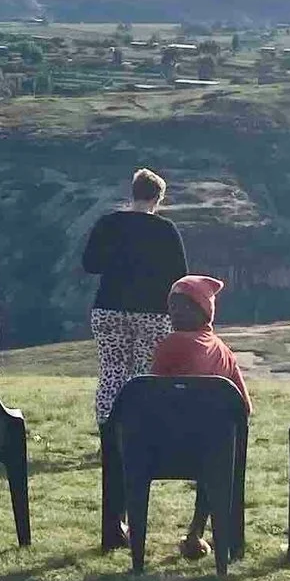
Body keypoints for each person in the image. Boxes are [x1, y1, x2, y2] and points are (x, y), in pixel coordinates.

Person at [149, 274, 248, 558]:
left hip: (168, 447)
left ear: (203, 311)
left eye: (184, 305)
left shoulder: (171, 345)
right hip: (215, 450)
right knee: (213, 456)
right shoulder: (225, 352)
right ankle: (198, 531)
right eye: (172, 304)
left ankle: (123, 527)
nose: (175, 311)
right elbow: (244, 406)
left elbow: (151, 393)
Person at [82, 169, 188, 427]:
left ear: (134, 193)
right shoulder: (166, 230)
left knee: (112, 371)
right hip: (153, 312)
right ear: (158, 198)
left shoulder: (108, 223)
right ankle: (141, 430)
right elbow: (180, 276)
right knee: (145, 373)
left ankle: (108, 430)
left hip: (109, 309)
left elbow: (90, 264)